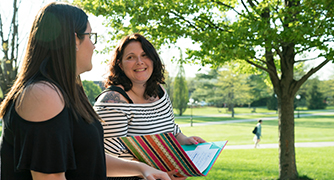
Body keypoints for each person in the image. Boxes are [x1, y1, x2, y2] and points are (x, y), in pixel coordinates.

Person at [0, 2, 171, 180]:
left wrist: (142, 169)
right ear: (75, 40)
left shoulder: (69, 89)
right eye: (90, 36)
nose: (93, 46)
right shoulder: (42, 94)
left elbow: (88, 158)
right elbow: (51, 177)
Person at [93, 33, 206, 179]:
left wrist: (184, 139)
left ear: (153, 60)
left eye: (145, 55)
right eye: (131, 57)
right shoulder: (112, 101)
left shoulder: (160, 92)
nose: (139, 62)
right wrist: (157, 171)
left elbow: (171, 128)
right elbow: (107, 156)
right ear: (120, 65)